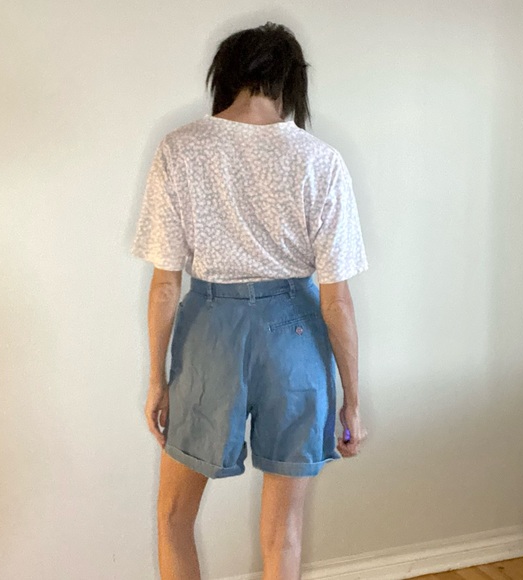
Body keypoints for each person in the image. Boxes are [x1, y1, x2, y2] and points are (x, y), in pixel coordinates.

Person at [131, 21, 369, 580]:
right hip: (295, 335)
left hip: (211, 331)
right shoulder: (319, 160)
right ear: (291, 82)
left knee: (173, 516)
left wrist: (157, 379)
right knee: (283, 531)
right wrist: (352, 402)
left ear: (227, 75)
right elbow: (337, 301)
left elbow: (165, 285)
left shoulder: (181, 148)